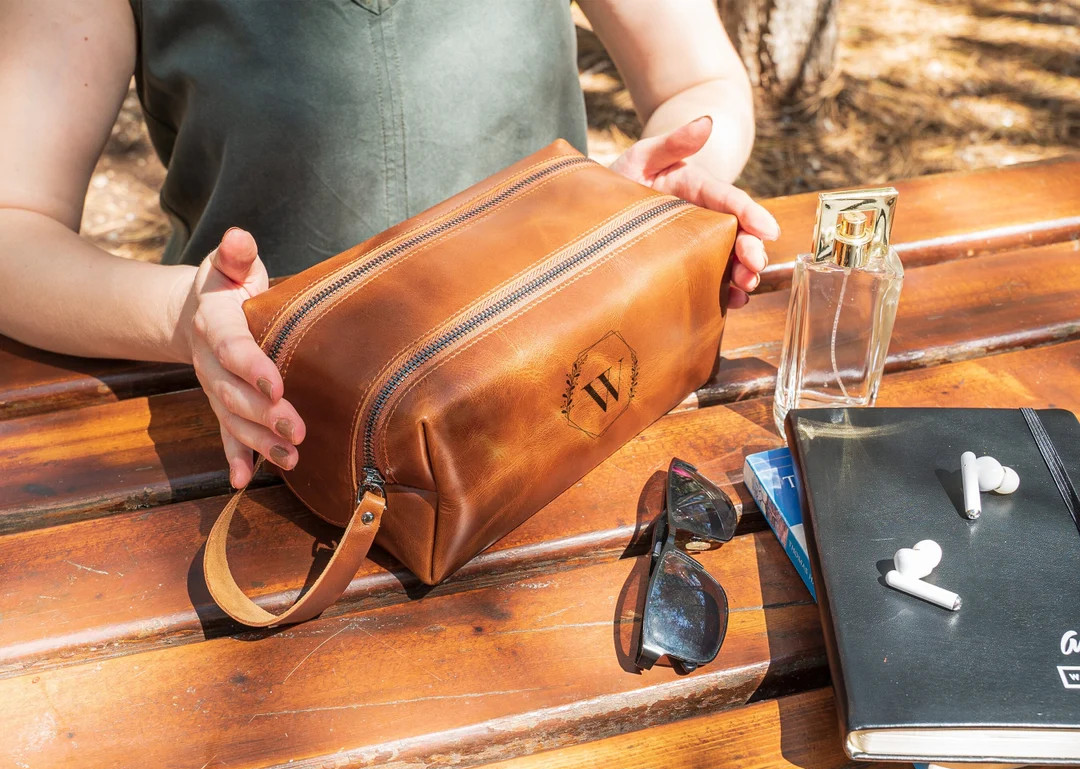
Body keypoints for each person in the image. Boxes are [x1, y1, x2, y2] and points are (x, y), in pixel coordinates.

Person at [0, 0, 779, 489]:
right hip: (270, 449)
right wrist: (183, 316)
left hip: (572, 405)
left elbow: (699, 82)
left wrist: (662, 185)